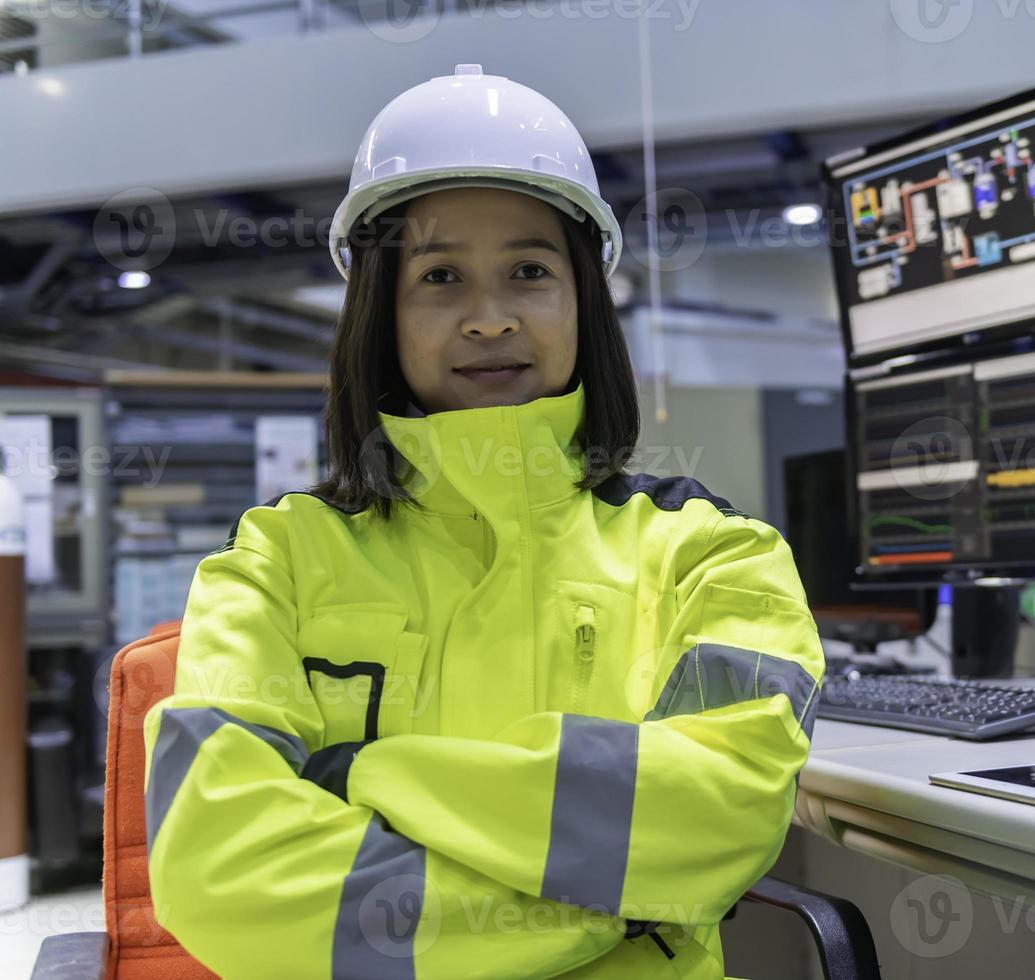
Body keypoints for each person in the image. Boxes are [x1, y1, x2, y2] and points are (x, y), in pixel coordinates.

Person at [140, 65, 824, 979]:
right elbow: (218, 868)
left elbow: (723, 813)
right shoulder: (278, 557)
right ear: (381, 312)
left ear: (582, 300)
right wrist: (605, 909)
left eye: (530, 272)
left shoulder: (710, 555)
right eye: (440, 276)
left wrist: (359, 774)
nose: (489, 319)